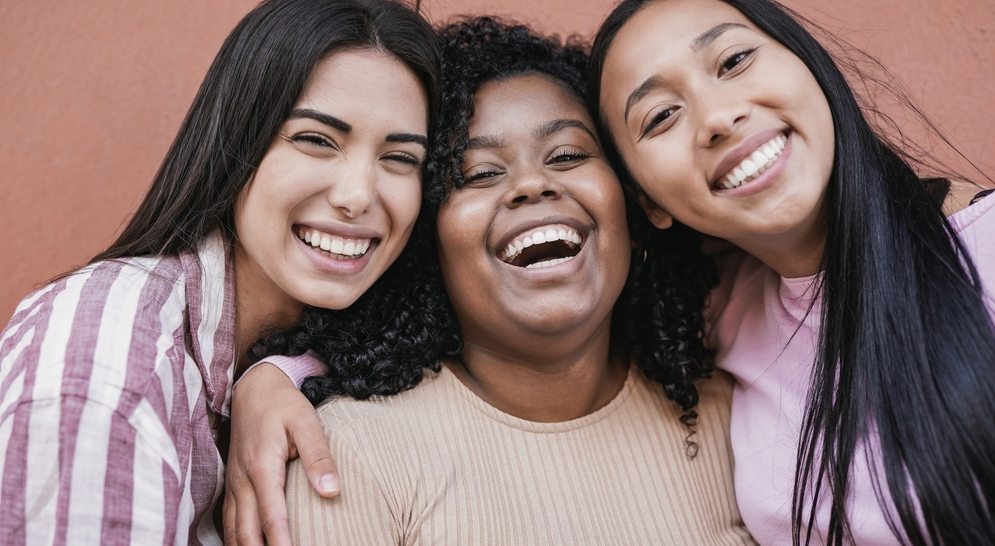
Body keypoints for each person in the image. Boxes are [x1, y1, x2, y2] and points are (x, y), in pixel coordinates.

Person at [235, 16, 752, 545]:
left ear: (634, 207)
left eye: (568, 156)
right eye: (479, 173)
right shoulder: (349, 455)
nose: (531, 184)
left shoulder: (741, 422)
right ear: (427, 246)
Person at [0, 0, 442, 543]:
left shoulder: (339, 328)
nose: (357, 196)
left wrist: (281, 372)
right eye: (315, 140)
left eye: (400, 158)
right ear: (237, 141)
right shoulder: (110, 364)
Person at [589, 0, 995, 543]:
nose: (717, 117)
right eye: (661, 116)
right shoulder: (715, 320)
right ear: (649, 204)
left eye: (734, 60)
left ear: (809, 64)